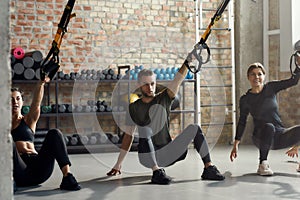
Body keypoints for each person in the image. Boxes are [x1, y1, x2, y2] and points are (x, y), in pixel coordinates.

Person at [107, 60, 225, 184]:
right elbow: (128, 136)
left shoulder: (164, 98)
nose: (150, 88)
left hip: (168, 153)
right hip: (147, 156)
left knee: (194, 128)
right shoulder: (133, 108)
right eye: (145, 84)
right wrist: (118, 164)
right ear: (138, 85)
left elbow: (178, 79)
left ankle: (208, 168)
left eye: (152, 83)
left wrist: (187, 61)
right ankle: (156, 171)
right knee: (145, 129)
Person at [230, 61, 300, 176]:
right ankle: (263, 164)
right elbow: (242, 121)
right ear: (248, 77)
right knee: (269, 126)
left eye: (259, 74)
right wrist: (235, 145)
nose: (256, 77)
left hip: (279, 135)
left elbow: (293, 81)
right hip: (260, 136)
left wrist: (299, 66)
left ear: (264, 76)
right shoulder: (245, 99)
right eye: (253, 74)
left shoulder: (271, 88)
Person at [11, 78, 81, 191]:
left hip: (39, 170)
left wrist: (40, 83)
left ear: (22, 102)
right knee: (8, 142)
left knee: (55, 133)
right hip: (18, 171)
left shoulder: (28, 120)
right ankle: (8, 179)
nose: (15, 102)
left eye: (18, 99)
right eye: (11, 99)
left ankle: (67, 176)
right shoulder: (3, 126)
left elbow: (36, 104)